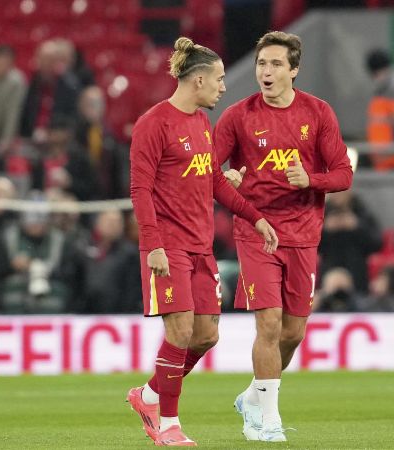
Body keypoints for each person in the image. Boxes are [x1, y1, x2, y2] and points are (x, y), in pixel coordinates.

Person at [126, 36, 278, 447]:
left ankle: (149, 394)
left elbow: (213, 181)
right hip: (167, 246)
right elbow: (140, 189)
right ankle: (168, 423)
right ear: (197, 81)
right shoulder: (153, 124)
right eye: (220, 79)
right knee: (179, 331)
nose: (224, 87)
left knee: (207, 334)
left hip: (201, 246)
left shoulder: (200, 123)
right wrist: (153, 244)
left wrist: (255, 216)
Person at [213, 31, 353, 442]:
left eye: (275, 64)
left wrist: (310, 179)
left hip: (304, 233)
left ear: (294, 70)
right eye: (261, 64)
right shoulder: (238, 116)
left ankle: (253, 396)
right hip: (257, 230)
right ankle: (268, 420)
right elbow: (206, 169)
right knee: (269, 326)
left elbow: (344, 174)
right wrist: (227, 177)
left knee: (292, 333)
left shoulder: (318, 113)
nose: (266, 72)